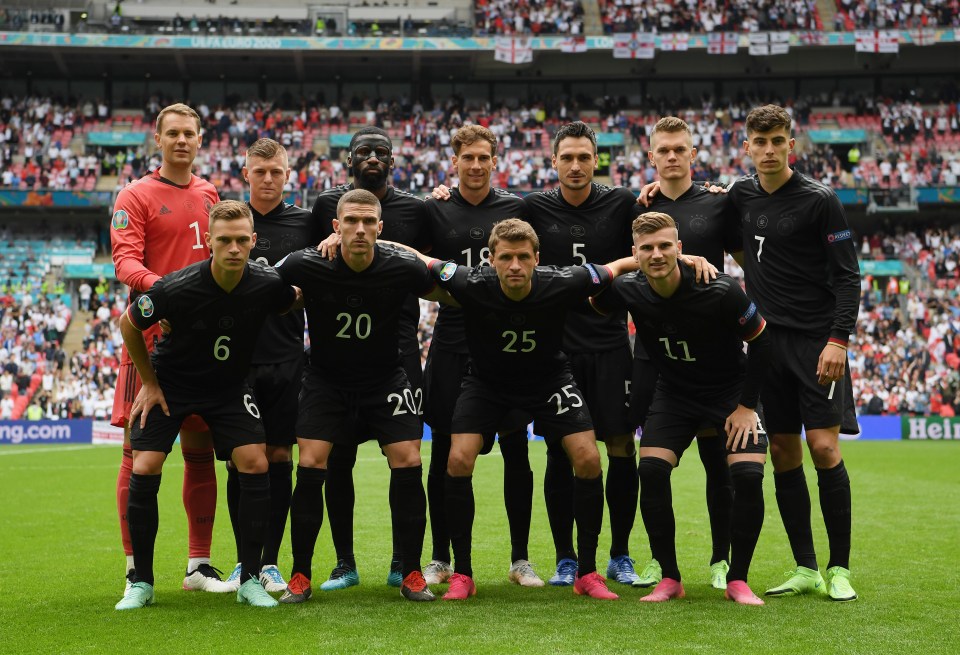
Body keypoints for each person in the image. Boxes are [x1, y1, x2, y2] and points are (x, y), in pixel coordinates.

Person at [414, 218, 638, 601]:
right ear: (491, 259)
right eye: (506, 257)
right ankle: (463, 574)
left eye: (522, 257)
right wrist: (368, 238)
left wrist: (682, 257)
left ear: (537, 258)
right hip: (487, 383)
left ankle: (587, 572)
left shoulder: (563, 280)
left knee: (587, 458)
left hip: (549, 380)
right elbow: (421, 259)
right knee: (457, 460)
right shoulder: (471, 281)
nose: (514, 265)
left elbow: (615, 268)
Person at [114, 200, 300, 610]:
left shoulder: (267, 283)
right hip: (173, 385)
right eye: (224, 241)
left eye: (240, 240)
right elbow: (129, 323)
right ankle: (141, 583)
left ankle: (250, 579)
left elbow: (290, 299)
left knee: (255, 462)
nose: (233, 248)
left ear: (253, 241)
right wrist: (149, 382)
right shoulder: (176, 287)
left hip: (229, 387)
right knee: (145, 464)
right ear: (209, 245)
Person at [275, 189, 450, 604]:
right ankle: (300, 576)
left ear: (381, 228)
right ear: (335, 227)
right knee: (312, 463)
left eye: (369, 222)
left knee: (408, 459)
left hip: (386, 380)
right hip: (325, 381)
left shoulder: (402, 265)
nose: (359, 229)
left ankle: (410, 573)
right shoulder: (307, 263)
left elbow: (450, 287)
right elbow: (259, 283)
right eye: (350, 221)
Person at [591, 211, 770, 606]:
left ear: (680, 248)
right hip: (675, 394)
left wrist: (746, 407)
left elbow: (762, 342)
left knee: (747, 476)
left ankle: (738, 579)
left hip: (730, 394)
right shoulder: (631, 288)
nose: (657, 255)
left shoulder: (720, 289)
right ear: (635, 254)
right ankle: (670, 577)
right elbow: (595, 297)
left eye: (665, 246)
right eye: (647, 248)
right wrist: (623, 265)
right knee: (651, 470)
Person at [728, 105, 860, 602]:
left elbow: (848, 276)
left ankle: (839, 568)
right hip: (766, 343)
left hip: (815, 342)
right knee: (783, 452)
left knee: (824, 448)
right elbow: (699, 213)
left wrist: (838, 339)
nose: (767, 150)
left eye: (776, 141)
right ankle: (806, 566)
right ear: (746, 147)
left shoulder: (820, 200)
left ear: (791, 145)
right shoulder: (740, 194)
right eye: (758, 142)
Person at [109, 103, 230, 594]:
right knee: (137, 454)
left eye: (190, 134)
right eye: (173, 133)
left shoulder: (209, 193)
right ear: (157, 139)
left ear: (201, 140)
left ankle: (198, 567)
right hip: (152, 342)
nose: (181, 141)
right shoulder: (134, 195)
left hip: (203, 343)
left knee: (201, 450)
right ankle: (135, 568)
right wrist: (171, 295)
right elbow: (125, 264)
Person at [421, 125, 541, 588]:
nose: (475, 165)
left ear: (495, 161)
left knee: (516, 447)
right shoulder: (434, 209)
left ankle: (520, 558)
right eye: (466, 157)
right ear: (454, 162)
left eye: (482, 158)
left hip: (506, 342)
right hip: (451, 342)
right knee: (444, 455)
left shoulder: (516, 208)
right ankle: (440, 555)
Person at [524, 121, 643, 586]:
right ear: (553, 162)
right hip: (556, 353)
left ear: (597, 161)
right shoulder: (533, 208)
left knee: (619, 448)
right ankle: (566, 558)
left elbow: (658, 230)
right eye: (567, 157)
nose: (575, 166)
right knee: (560, 452)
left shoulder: (623, 203)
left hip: (612, 347)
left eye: (584, 157)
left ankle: (620, 554)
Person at [311, 127, 430, 591]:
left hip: (399, 348)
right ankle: (345, 562)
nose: (374, 157)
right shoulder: (325, 205)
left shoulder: (418, 209)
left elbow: (437, 258)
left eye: (382, 151)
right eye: (365, 151)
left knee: (403, 457)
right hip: (339, 350)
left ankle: (405, 562)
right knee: (337, 459)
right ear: (349, 159)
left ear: (394, 159)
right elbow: (306, 255)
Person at [629, 116, 745, 591]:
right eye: (664, 150)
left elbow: (746, 266)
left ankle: (721, 560)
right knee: (648, 462)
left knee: (720, 467)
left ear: (693, 154)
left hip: (715, 354)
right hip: (655, 353)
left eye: (681, 149)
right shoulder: (638, 206)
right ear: (651, 155)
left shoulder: (718, 204)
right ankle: (659, 563)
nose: (672, 156)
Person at [222, 138, 317, 593]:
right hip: (236, 361)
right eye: (259, 171)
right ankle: (243, 561)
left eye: (275, 171)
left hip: (285, 359)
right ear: (246, 174)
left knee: (280, 456)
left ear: (287, 172)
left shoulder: (306, 222)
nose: (267, 179)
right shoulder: (230, 221)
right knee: (242, 463)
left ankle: (271, 561)